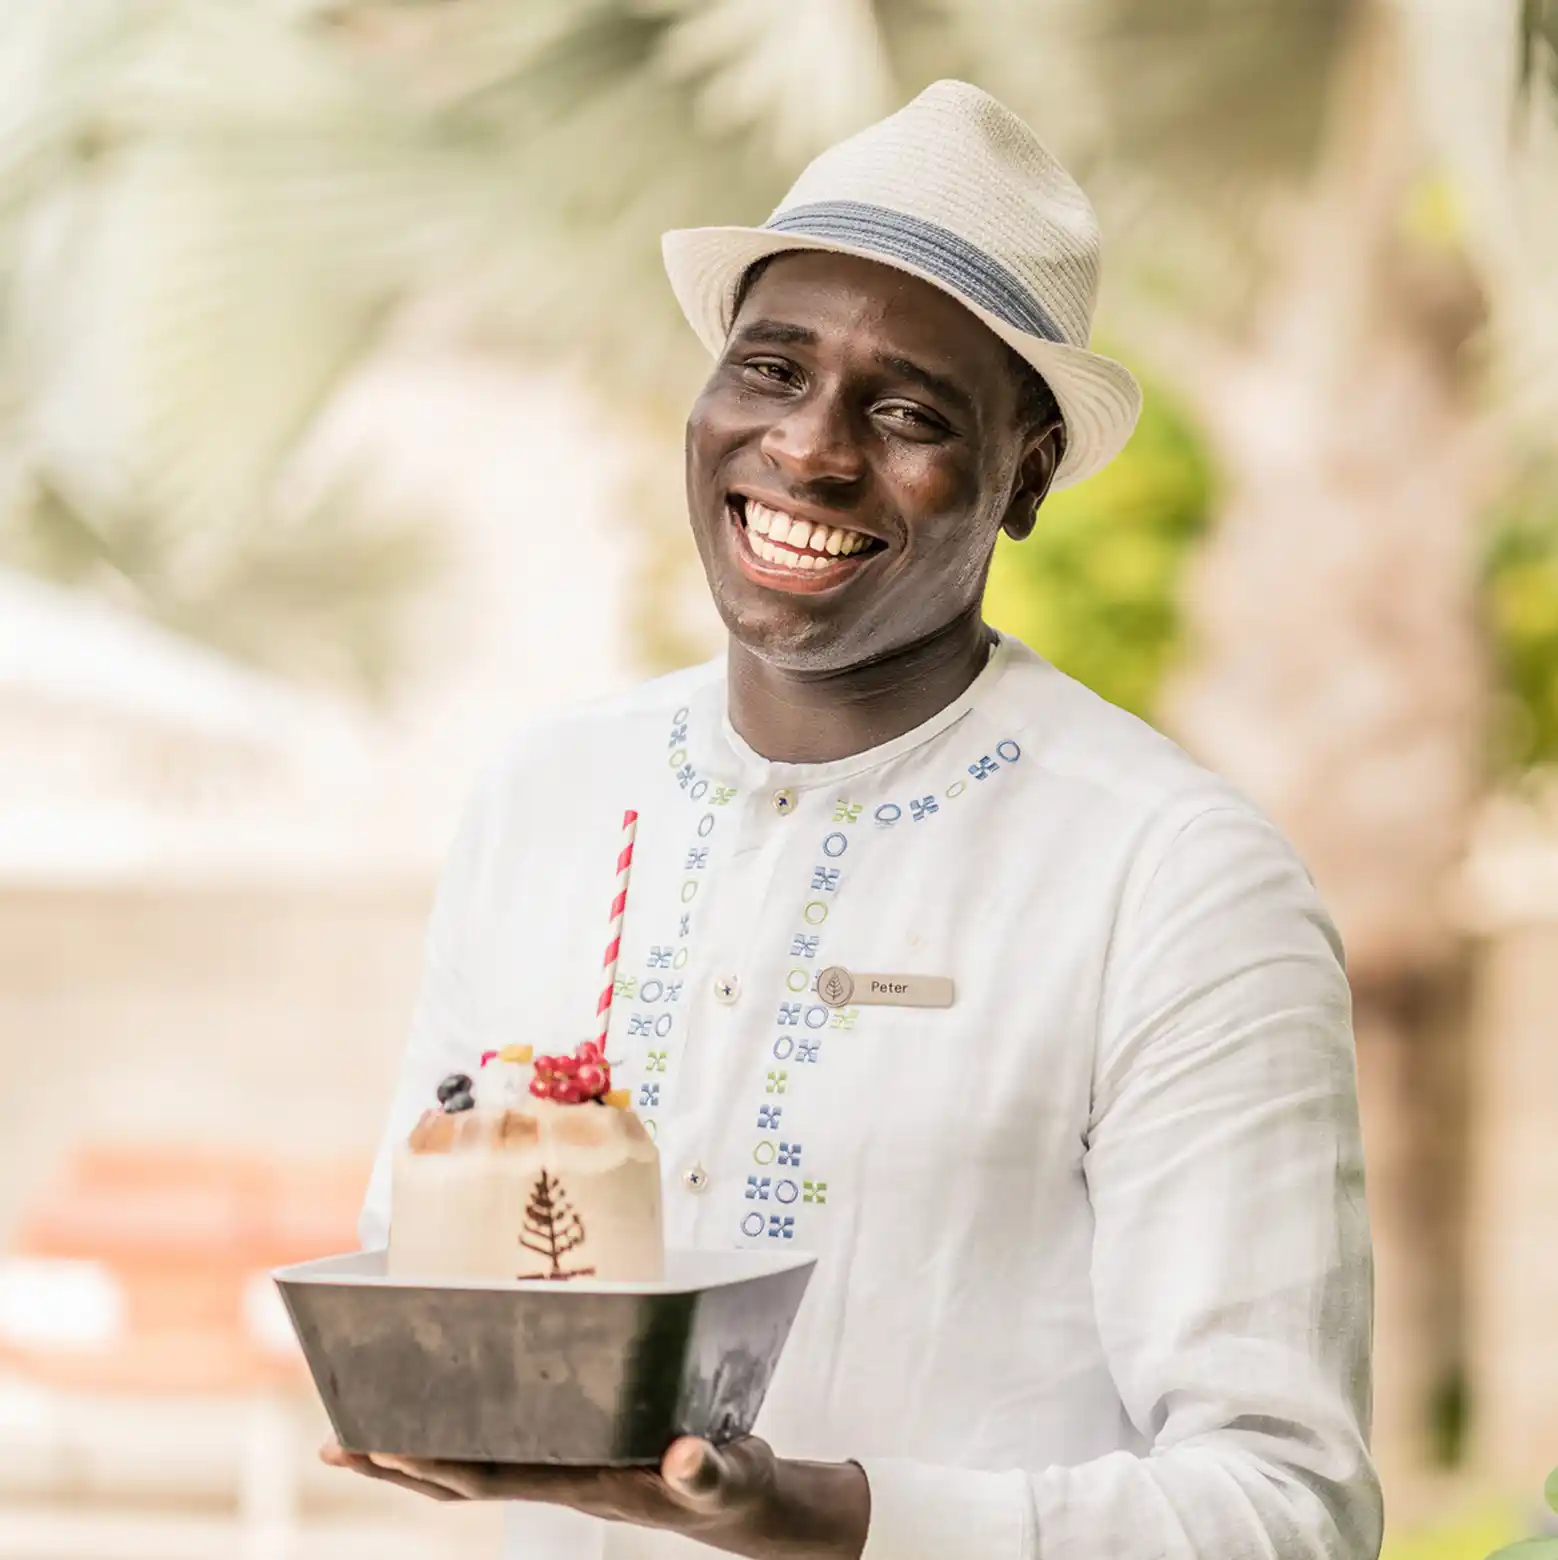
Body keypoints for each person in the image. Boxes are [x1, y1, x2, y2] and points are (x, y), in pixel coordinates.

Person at [327, 79, 1382, 1560]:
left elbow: (1285, 1509)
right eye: (768, 369)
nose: (810, 451)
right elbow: (426, 1268)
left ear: (1022, 478)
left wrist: (813, 1514)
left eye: (904, 412)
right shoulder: (548, 797)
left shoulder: (1172, 879)